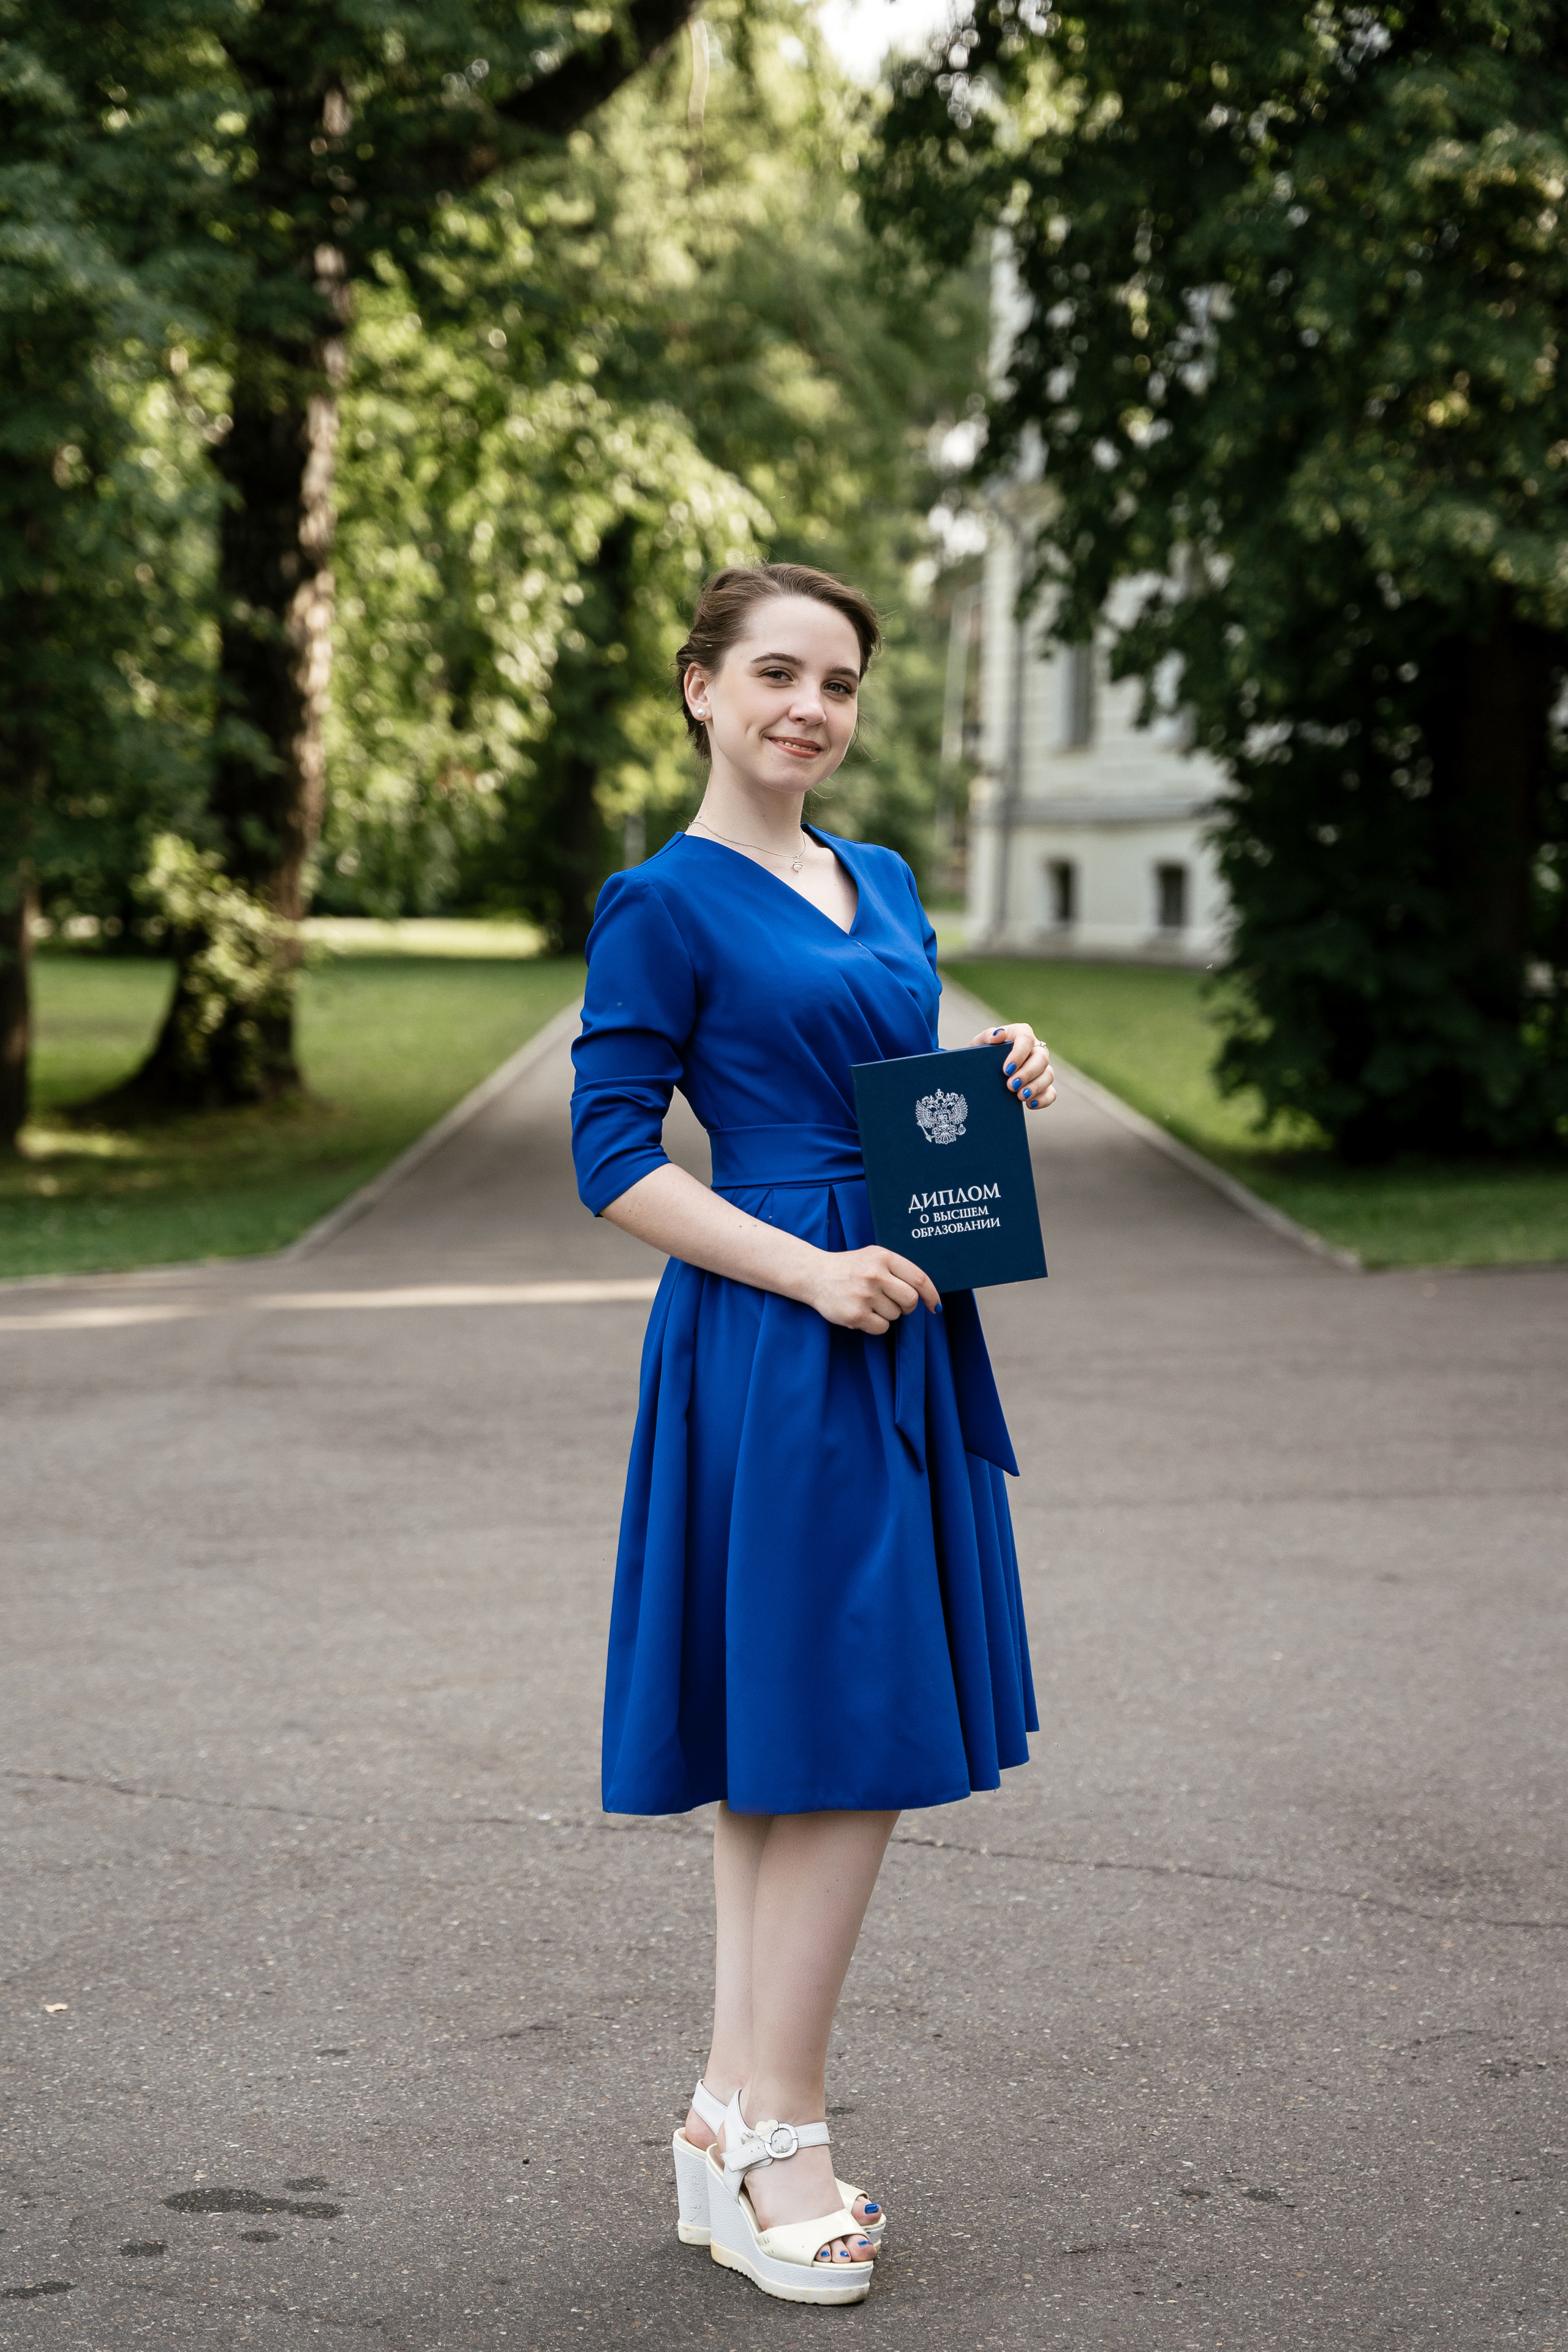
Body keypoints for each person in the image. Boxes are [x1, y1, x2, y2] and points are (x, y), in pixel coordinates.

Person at [570, 561, 1055, 2307]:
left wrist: (988, 1063)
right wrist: (810, 1274)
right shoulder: (663, 902)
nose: (812, 708)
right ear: (702, 687)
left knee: (800, 1730)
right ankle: (784, 2131)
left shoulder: (882, 877)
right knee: (842, 1734)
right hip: (784, 1338)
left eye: (839, 682)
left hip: (904, 1315)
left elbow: (890, 1060)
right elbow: (614, 1159)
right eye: (777, 673)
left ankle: (721, 2123)